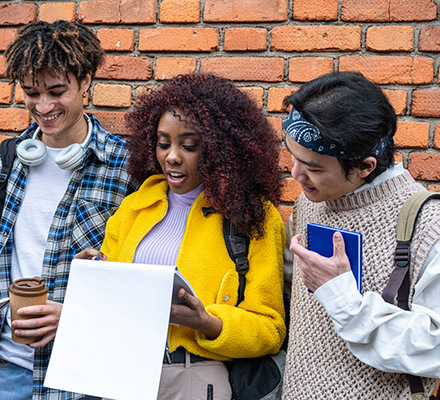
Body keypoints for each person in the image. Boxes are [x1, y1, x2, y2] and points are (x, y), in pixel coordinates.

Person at [77, 73, 287, 399]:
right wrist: (96, 274)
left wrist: (207, 322)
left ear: (221, 150)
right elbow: (113, 305)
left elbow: (270, 328)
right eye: (163, 144)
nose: (172, 156)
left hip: (193, 376)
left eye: (189, 146)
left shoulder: (253, 218)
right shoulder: (135, 207)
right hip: (121, 371)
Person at [0, 20, 139, 400]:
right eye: (31, 93)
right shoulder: (6, 163)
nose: (43, 107)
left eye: (57, 91)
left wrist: (73, 315)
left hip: (85, 373)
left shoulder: (125, 167)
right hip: (5, 370)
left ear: (86, 80)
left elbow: (137, 281)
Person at [282, 71, 440, 399]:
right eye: (293, 158)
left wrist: (344, 299)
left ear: (365, 166)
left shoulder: (429, 223)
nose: (295, 174)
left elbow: (434, 348)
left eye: (312, 167)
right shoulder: (308, 204)